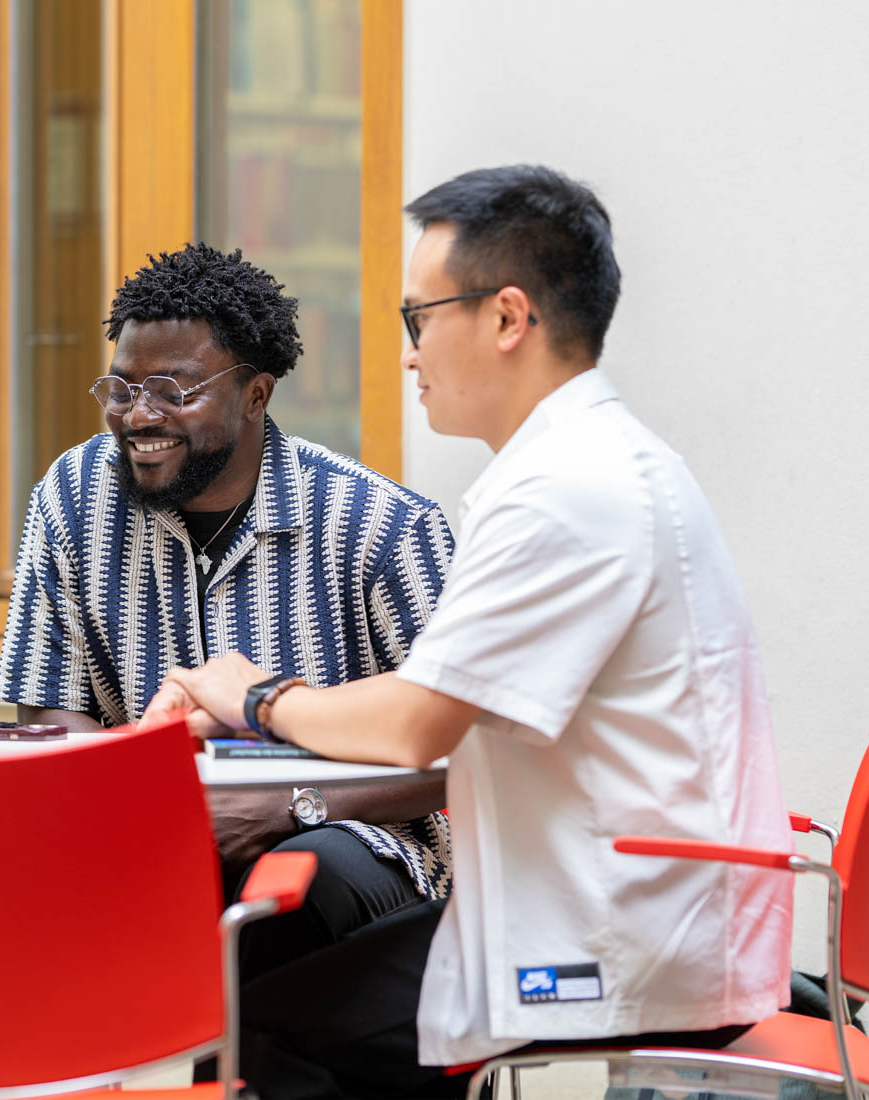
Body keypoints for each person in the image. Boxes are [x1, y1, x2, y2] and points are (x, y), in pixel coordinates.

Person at [152, 166, 795, 1098]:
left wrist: (253, 695)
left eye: (419, 319)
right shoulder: (589, 464)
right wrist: (255, 703)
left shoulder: (567, 492)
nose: (408, 355)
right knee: (290, 992)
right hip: (621, 902)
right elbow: (434, 695)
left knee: (265, 1025)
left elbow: (417, 724)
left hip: (621, 935)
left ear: (506, 318)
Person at [0, 242, 456, 979]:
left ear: (255, 394)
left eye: (174, 391)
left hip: (357, 842)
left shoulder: (380, 525)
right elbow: (53, 713)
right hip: (145, 831)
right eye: (121, 389)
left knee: (296, 879)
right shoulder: (73, 497)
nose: (139, 416)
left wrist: (290, 807)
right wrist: (146, 811)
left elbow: (457, 753)